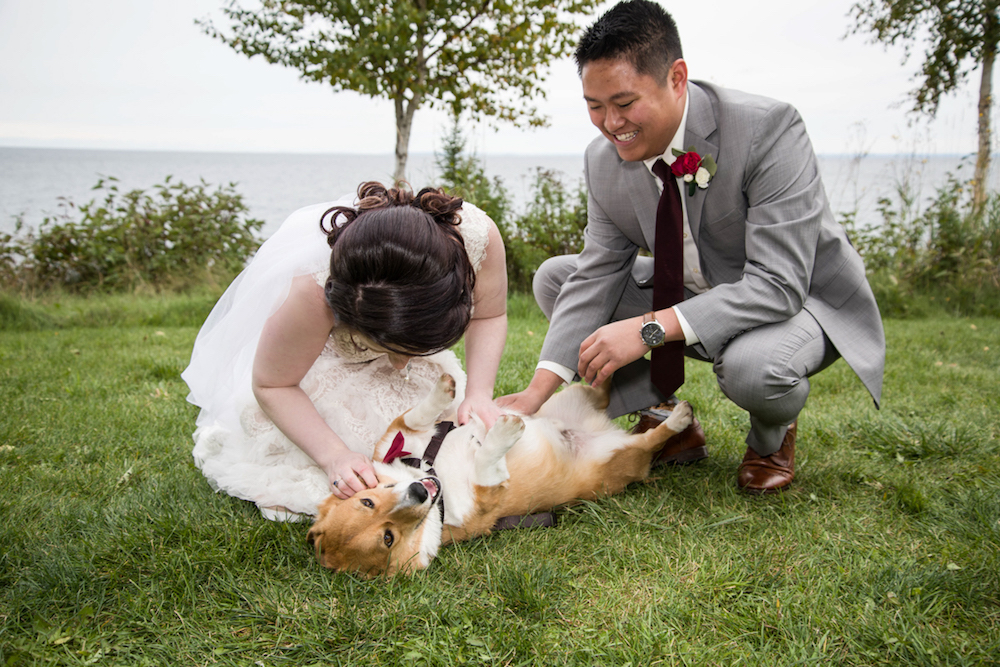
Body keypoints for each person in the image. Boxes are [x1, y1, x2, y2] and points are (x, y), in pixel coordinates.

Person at [498, 0, 885, 494]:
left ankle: (771, 438)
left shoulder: (770, 128)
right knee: (558, 277)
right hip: (694, 295)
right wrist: (537, 390)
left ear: (676, 78)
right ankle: (666, 422)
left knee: (755, 369)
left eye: (623, 103)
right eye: (595, 106)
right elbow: (597, 272)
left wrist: (649, 328)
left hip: (799, 300)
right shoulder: (603, 160)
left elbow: (777, 284)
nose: (610, 123)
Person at [182, 181, 508, 521]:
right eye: (388, 348)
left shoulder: (475, 236)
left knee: (451, 453)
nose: (401, 365)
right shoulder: (311, 291)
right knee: (363, 465)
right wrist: (334, 456)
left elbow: (490, 314)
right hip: (314, 373)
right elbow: (273, 384)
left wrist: (480, 393)